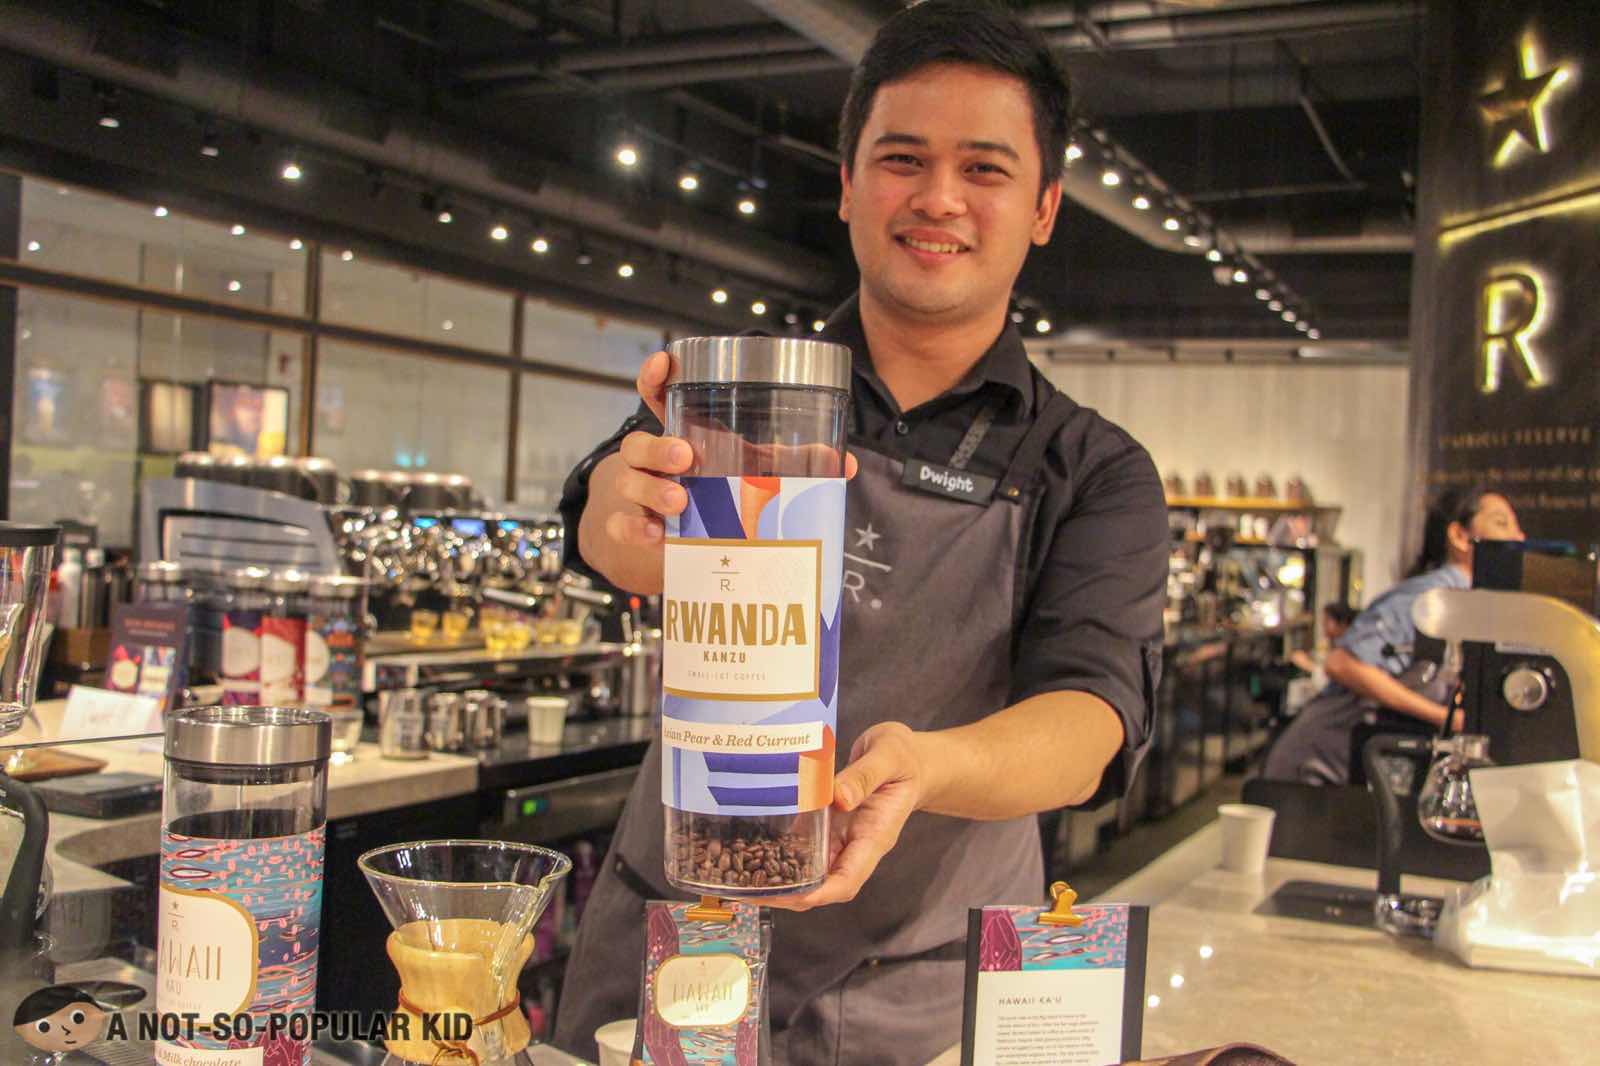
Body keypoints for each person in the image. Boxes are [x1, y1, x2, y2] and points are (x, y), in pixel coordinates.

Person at [551, 4, 1167, 1063]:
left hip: (918, 990)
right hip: (676, 939)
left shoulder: (1091, 468)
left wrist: (923, 768)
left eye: (984, 168)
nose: (936, 199)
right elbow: (610, 525)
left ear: (1045, 206)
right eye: (900, 159)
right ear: (845, 186)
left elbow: (1089, 720)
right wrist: (621, 512)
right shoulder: (734, 393)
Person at [1261, 486, 1525, 785]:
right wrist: (1447, 718)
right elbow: (1343, 664)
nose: (1518, 537)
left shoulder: (1474, 602)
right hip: (1316, 769)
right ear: (1460, 537)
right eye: (1502, 523)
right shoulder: (1432, 597)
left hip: (1365, 772)